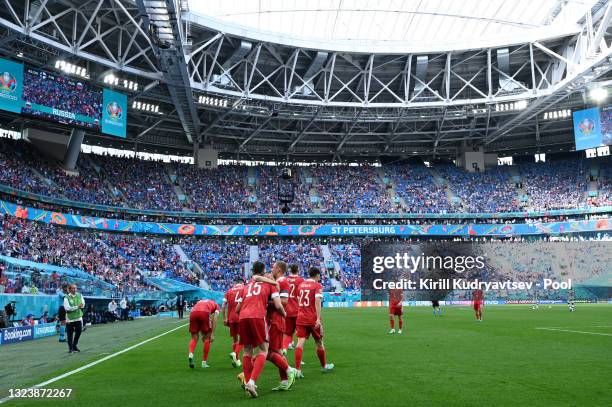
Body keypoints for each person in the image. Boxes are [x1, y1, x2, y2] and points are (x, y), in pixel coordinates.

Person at [235, 261, 286, 398]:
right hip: (258, 316)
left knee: (247, 351)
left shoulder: (245, 287)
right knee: (264, 350)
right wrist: (284, 315)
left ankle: (247, 382)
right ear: (264, 271)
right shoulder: (270, 284)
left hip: (243, 318)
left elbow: (237, 309)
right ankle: (252, 382)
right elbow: (278, 305)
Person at [294, 267, 334, 378]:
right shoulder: (317, 285)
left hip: (301, 317)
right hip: (312, 318)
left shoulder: (301, 285)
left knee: (300, 342)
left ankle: (297, 370)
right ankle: (324, 366)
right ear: (317, 275)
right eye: (320, 275)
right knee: (319, 342)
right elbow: (317, 301)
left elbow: (298, 300)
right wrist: (318, 318)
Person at [264, 261, 297, 392]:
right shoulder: (278, 281)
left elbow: (284, 302)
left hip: (275, 320)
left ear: (278, 269)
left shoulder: (282, 281)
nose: (271, 269)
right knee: (276, 351)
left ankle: (290, 370)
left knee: (268, 352)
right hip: (275, 320)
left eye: (273, 267)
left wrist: (266, 300)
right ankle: (284, 380)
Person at [188, 299, 220, 369]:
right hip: (204, 313)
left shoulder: (200, 301)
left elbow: (198, 314)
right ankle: (204, 362)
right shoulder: (216, 305)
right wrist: (212, 334)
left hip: (193, 313)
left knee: (194, 338)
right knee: (207, 339)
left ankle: (191, 354)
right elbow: (215, 318)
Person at [222, 277, 245, 368]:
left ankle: (237, 360)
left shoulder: (229, 291)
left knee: (235, 339)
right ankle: (235, 354)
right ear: (242, 282)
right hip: (241, 316)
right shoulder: (245, 288)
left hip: (231, 318)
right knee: (244, 339)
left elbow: (223, 306)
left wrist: (224, 318)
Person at [282, 264, 304, 353]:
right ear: (298, 270)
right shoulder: (301, 280)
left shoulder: (285, 280)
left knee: (287, 332)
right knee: (300, 335)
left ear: (290, 270)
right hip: (297, 309)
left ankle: (284, 348)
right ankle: (298, 357)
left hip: (286, 309)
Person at [63, 284, 85, 353]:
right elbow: (67, 308)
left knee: (79, 331)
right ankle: (70, 348)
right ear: (70, 289)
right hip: (70, 318)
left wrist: (79, 306)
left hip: (78, 317)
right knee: (70, 334)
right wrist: (77, 307)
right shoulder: (66, 297)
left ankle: (74, 345)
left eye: (75, 288)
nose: (75, 289)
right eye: (73, 288)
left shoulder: (79, 295)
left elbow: (83, 304)